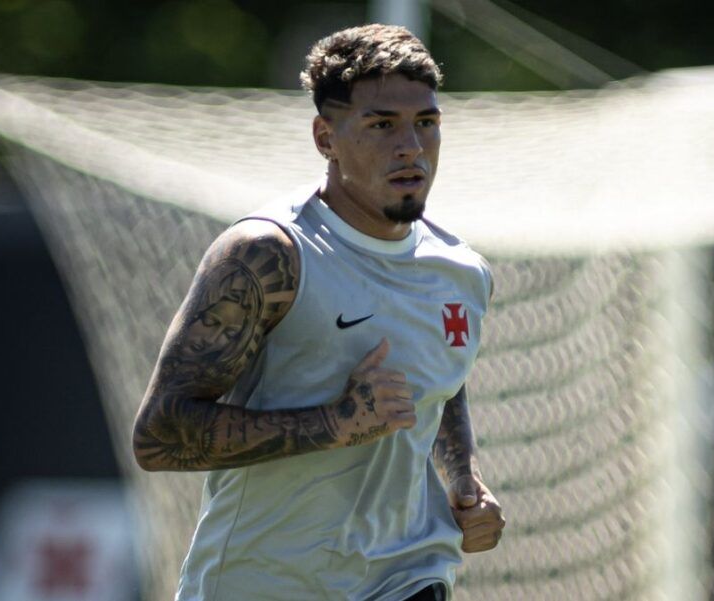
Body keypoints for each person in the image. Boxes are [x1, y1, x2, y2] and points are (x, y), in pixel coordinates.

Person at [132, 24, 505, 601]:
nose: (411, 146)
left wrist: (464, 479)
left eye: (426, 123)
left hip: (407, 577)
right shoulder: (268, 255)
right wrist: (336, 423)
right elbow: (159, 436)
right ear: (325, 137)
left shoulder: (462, 270)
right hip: (261, 587)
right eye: (382, 125)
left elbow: (441, 382)